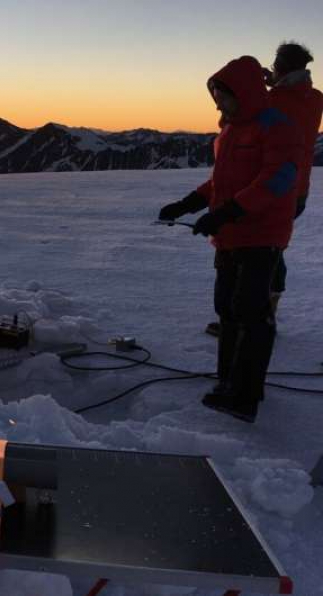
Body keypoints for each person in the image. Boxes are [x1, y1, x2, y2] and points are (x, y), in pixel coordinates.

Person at [158, 56, 303, 422]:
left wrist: (228, 212)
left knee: (251, 312)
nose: (216, 103)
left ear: (243, 92)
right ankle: (228, 381)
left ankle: (245, 395)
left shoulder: (275, 127)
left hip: (261, 235)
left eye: (221, 95)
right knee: (227, 307)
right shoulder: (230, 130)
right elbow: (220, 182)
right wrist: (188, 203)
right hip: (230, 237)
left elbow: (279, 179)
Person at [205, 43, 322, 336]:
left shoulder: (274, 101)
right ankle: (264, 312)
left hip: (260, 185)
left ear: (279, 67)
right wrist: (272, 86)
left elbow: (233, 120)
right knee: (273, 247)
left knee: (256, 249)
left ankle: (250, 318)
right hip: (298, 187)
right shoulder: (315, 99)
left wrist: (255, 87)